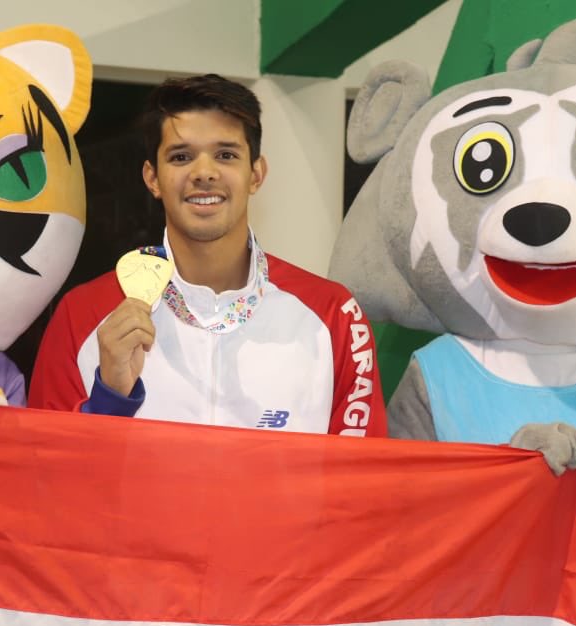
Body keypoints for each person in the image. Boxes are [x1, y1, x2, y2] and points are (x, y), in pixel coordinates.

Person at [29, 74, 385, 436]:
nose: (204, 173)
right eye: (181, 157)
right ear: (152, 178)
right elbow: (43, 462)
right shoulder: (83, 315)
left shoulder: (335, 316)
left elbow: (363, 468)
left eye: (226, 155)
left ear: (256, 174)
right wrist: (109, 398)